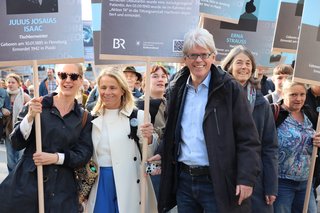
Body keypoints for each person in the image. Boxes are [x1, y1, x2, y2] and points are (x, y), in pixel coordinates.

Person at [149, 28, 261, 213]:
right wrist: (163, 151)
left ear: (213, 57)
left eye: (204, 55)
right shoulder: (176, 88)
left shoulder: (229, 88)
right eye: (193, 55)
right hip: (184, 181)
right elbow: (173, 129)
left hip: (217, 181)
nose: (199, 60)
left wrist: (246, 178)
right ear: (185, 58)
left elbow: (248, 138)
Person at [0, 63, 93, 212]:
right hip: (28, 185)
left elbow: (83, 154)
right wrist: (30, 117)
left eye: (73, 76)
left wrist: (56, 158)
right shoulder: (37, 105)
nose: (68, 80)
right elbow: (16, 142)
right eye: (63, 75)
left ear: (81, 80)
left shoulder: (84, 117)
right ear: (56, 78)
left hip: (62, 191)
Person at [86, 68, 157, 213]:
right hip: (100, 182)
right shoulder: (91, 117)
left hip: (130, 181)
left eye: (113, 87)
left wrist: (149, 137)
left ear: (123, 90)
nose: (107, 92)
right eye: (103, 87)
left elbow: (149, 155)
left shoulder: (139, 116)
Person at [221, 45, 278, 213]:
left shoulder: (261, 103)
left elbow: (270, 147)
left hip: (255, 178)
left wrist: (271, 186)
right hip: (224, 175)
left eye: (248, 63)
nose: (244, 67)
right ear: (229, 66)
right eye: (239, 62)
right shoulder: (216, 98)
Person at [272, 79, 320, 213]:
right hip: (281, 183)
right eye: (293, 95)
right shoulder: (273, 113)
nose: (298, 99)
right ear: (283, 94)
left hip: (306, 181)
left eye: (302, 94)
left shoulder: (310, 114)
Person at [136, 65, 169, 199]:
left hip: (168, 168)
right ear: (145, 82)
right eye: (155, 76)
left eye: (163, 76)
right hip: (150, 168)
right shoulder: (139, 106)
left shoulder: (171, 104)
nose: (160, 79)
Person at [4, 73, 31, 172]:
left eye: (13, 82)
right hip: (7, 131)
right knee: (10, 160)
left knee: (20, 158)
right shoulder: (3, 96)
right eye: (9, 82)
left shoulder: (25, 97)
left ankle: (19, 180)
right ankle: (11, 180)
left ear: (19, 84)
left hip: (21, 131)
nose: (10, 84)